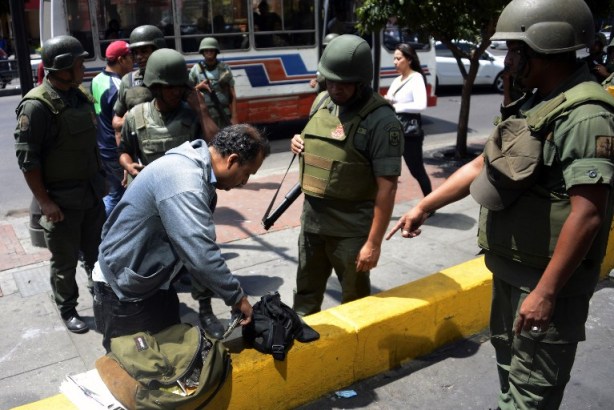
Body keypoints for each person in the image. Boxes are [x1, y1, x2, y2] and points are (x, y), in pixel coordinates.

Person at [386, 0, 614, 408]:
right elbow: (481, 164)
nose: (507, 60)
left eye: (515, 49)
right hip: (510, 271)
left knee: (532, 393)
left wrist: (545, 292)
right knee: (511, 374)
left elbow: (589, 213)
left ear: (545, 47)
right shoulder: (537, 101)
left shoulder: (586, 117)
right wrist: (425, 206)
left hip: (548, 285)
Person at [93, 125, 270, 351]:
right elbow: (200, 252)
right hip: (123, 291)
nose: (244, 182)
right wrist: (236, 297)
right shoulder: (185, 181)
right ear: (232, 160)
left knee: (169, 357)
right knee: (132, 368)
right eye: (247, 174)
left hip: (153, 282)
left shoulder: (198, 168)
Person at [290, 34, 403, 316]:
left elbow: (387, 189)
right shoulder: (321, 103)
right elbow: (316, 141)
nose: (336, 88)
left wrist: (373, 244)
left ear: (361, 81)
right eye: (331, 80)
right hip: (312, 225)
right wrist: (298, 142)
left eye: (344, 82)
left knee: (355, 303)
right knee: (305, 295)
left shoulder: (382, 122)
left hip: (350, 232)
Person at [14, 35, 106, 334]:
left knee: (97, 253)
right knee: (65, 262)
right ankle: (68, 309)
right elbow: (29, 160)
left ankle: (102, 297)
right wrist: (45, 202)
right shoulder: (37, 106)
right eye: (79, 62)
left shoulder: (78, 96)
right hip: (61, 201)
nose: (84, 66)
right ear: (63, 66)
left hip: (91, 195)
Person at [90, 40, 134, 217]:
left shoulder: (96, 79)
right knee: (119, 196)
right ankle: (105, 233)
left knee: (114, 193)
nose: (134, 61)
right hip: (115, 149)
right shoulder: (118, 86)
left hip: (102, 145)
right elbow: (119, 122)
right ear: (121, 59)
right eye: (130, 57)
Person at [384, 43, 432, 199]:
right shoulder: (397, 80)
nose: (395, 62)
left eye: (398, 58)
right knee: (388, 169)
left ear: (409, 59)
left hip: (409, 133)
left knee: (416, 170)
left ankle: (430, 202)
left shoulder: (416, 78)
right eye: (394, 59)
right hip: (393, 131)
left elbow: (421, 105)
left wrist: (396, 105)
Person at [111, 25, 166, 138]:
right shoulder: (128, 81)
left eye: (144, 51)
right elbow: (116, 123)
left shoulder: (173, 75)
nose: (139, 57)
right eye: (135, 53)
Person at [189, 37, 237, 128]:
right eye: (206, 50)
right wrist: (198, 87)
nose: (209, 52)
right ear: (202, 52)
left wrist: (234, 117)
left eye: (212, 50)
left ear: (216, 52)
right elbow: (187, 92)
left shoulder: (224, 68)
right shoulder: (196, 69)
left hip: (223, 113)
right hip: (205, 115)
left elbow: (233, 95)